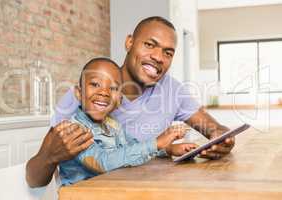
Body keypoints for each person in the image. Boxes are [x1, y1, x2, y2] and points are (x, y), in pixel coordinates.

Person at [26, 16, 234, 188]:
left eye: (167, 53)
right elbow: (37, 177)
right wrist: (48, 156)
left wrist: (222, 139)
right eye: (150, 44)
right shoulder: (81, 108)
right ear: (129, 43)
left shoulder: (115, 123)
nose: (158, 57)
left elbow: (130, 146)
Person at [58, 57, 196, 185]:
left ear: (120, 99)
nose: (104, 92)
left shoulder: (112, 124)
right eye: (95, 84)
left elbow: (133, 147)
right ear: (78, 92)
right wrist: (156, 143)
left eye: (113, 88)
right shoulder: (73, 129)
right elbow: (102, 162)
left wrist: (167, 149)